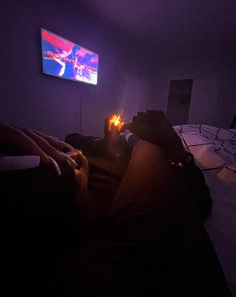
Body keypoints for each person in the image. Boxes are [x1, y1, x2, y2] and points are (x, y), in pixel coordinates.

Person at [0, 112, 232, 297]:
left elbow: (71, 139)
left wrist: (103, 141)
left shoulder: (76, 151)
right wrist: (171, 145)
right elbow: (198, 201)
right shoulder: (141, 216)